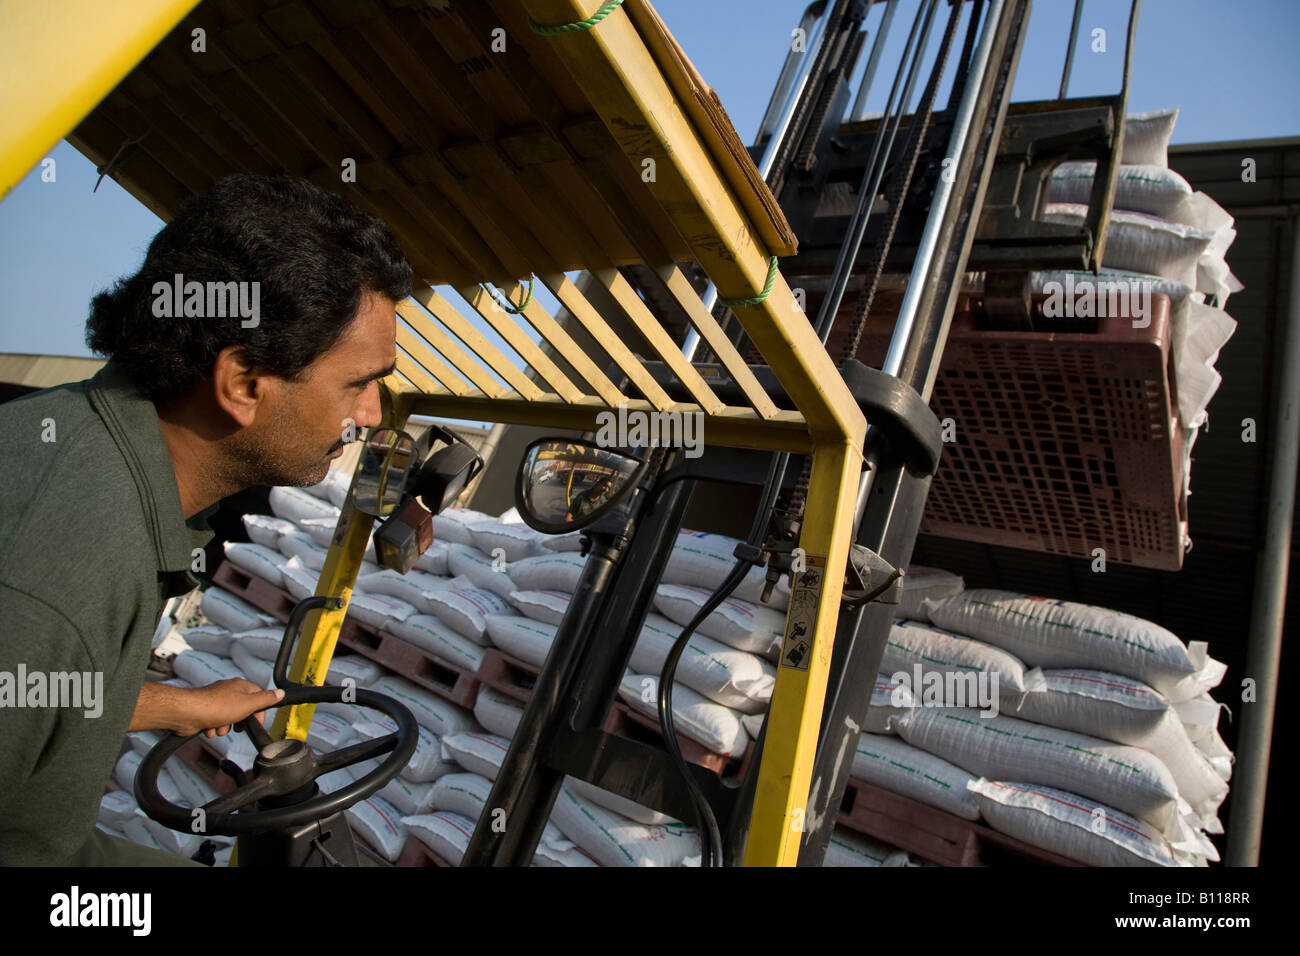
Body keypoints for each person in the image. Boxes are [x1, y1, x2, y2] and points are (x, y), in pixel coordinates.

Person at [0, 174, 412, 865]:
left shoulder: (93, 463)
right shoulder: (58, 564)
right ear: (244, 385)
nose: (369, 414)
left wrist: (178, 707)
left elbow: (39, 699)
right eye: (357, 383)